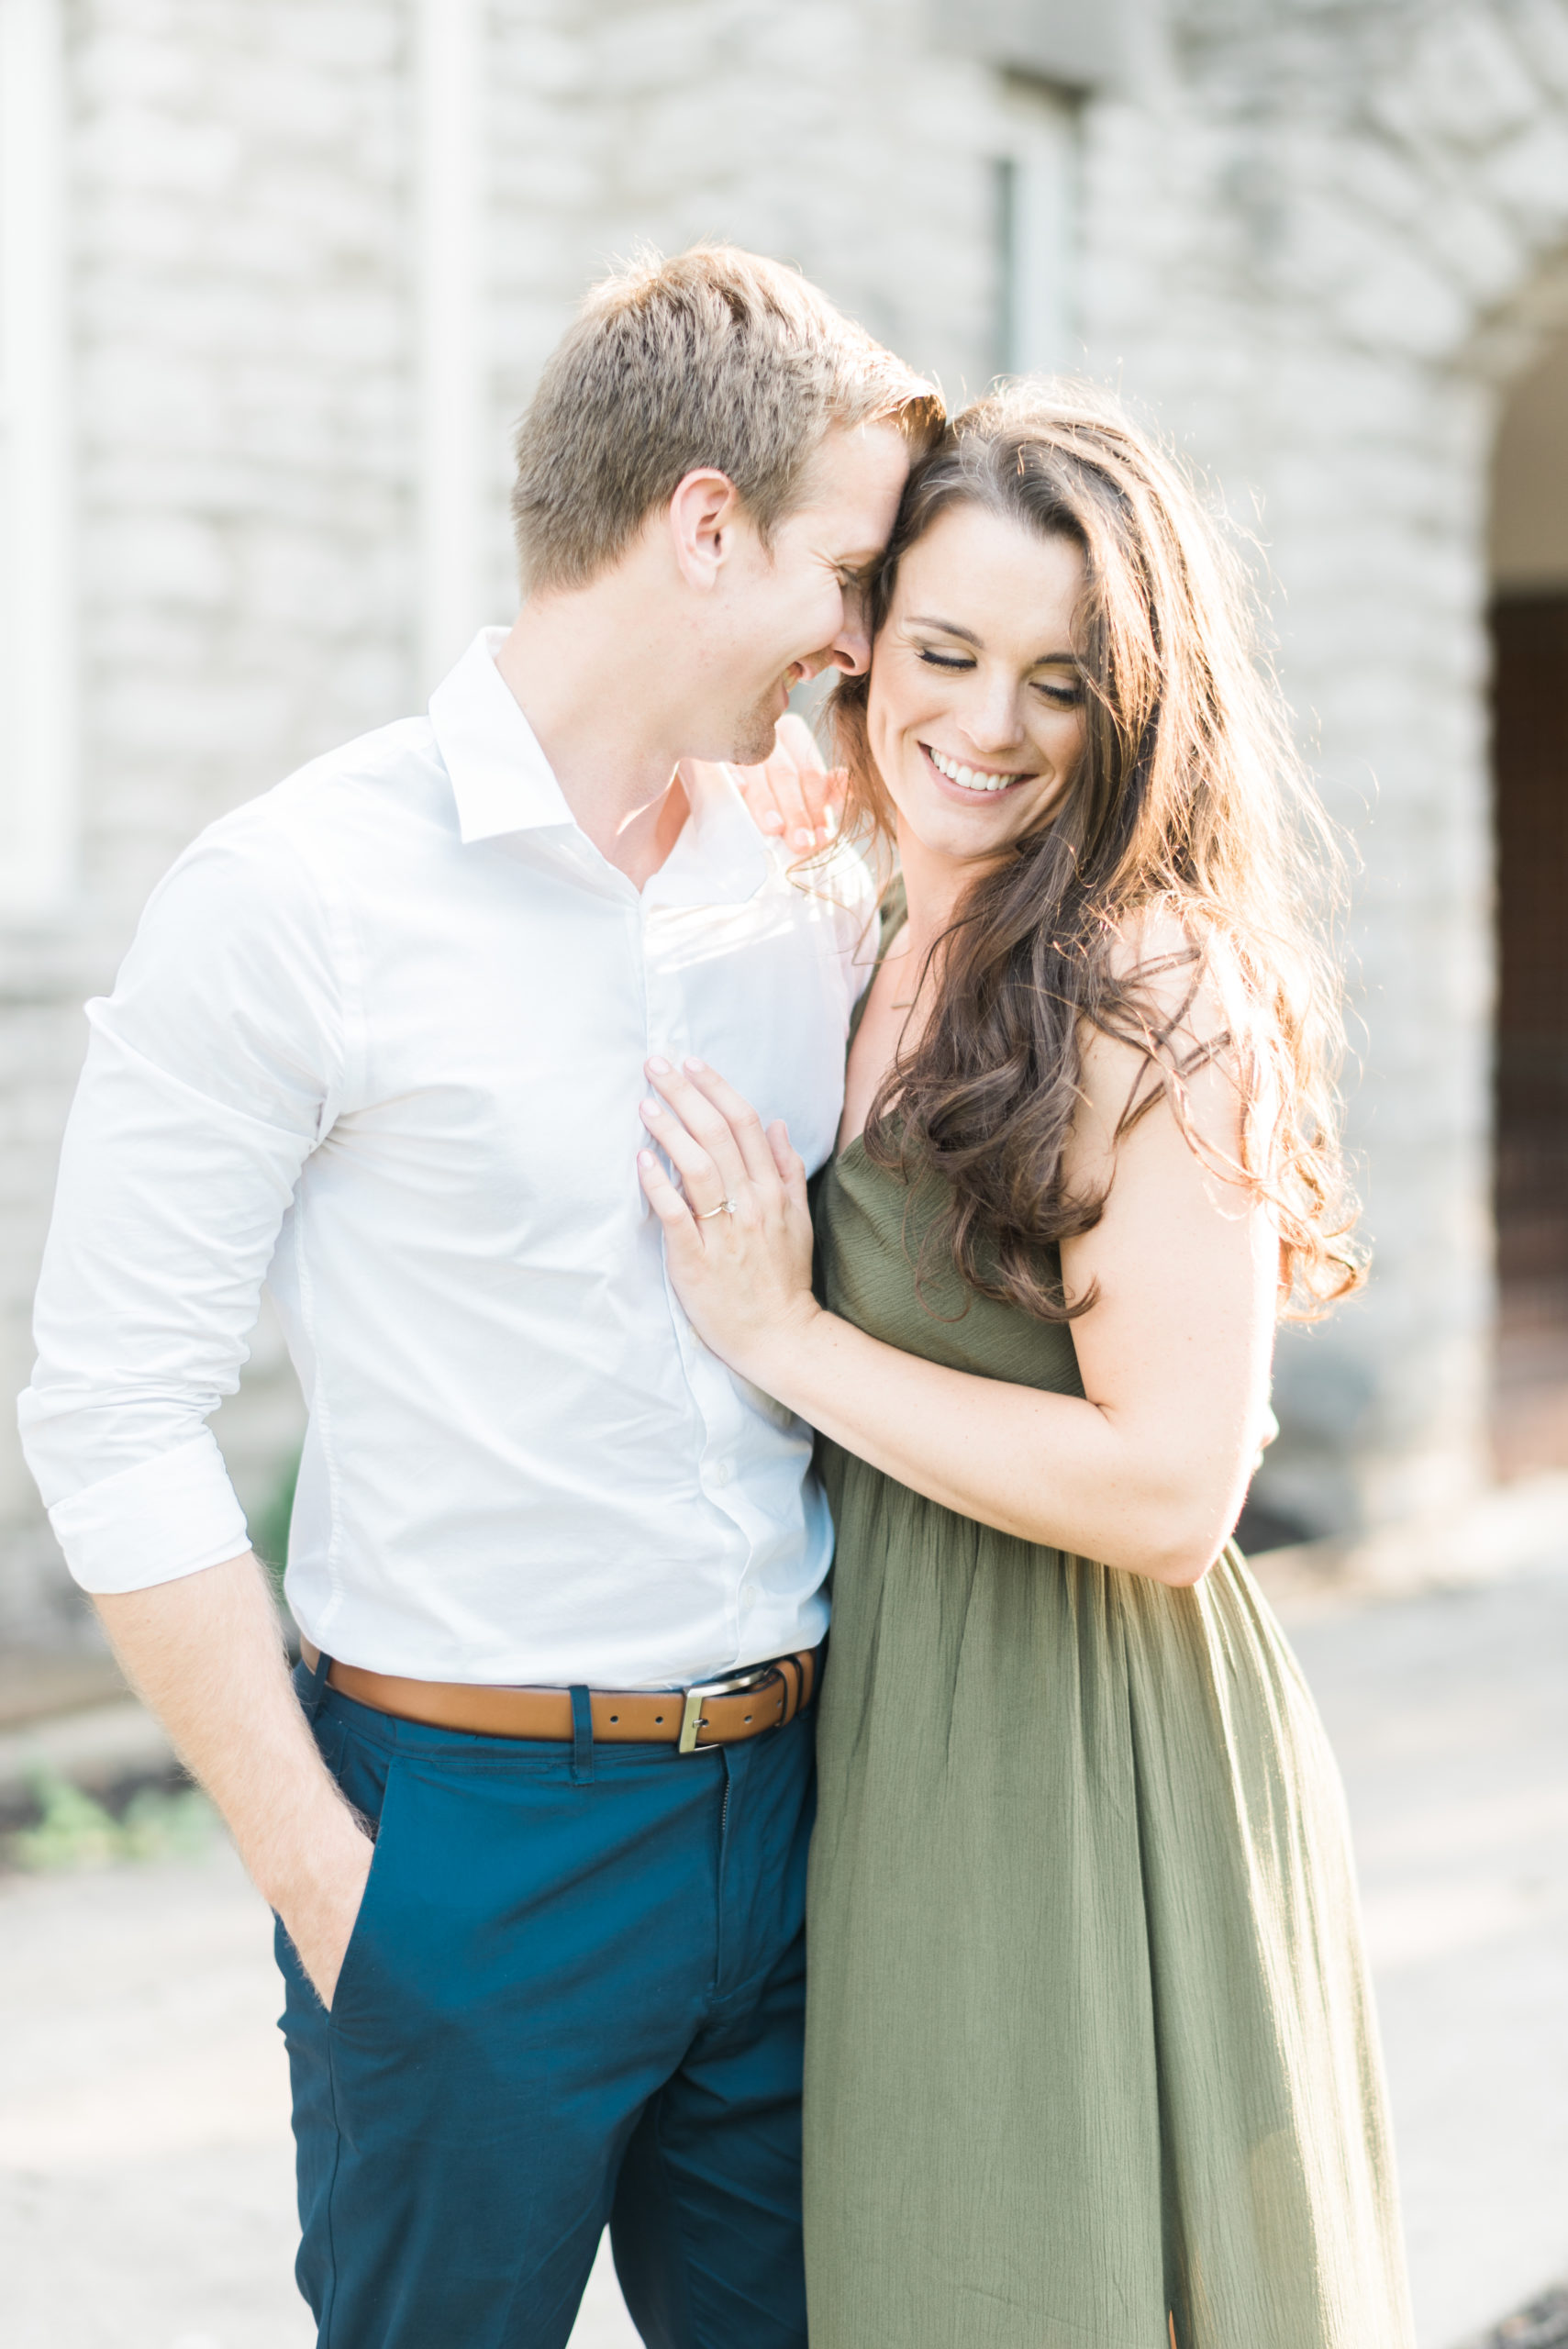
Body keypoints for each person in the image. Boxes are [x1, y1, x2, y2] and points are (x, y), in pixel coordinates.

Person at [17, 246, 940, 2349]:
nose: (865, 641)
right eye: (849, 571)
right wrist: (335, 1890)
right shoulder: (294, 894)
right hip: (458, 1848)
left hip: (796, 1816)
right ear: (706, 524)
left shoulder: (811, 866)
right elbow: (109, 1406)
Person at [635, 386, 1417, 2349]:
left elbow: (1172, 1490)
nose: (986, 727)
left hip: (1082, 1744)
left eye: (1060, 681)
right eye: (947, 654)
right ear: (867, 643)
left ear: (1136, 708)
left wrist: (783, 1332)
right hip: (894, 1726)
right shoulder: (884, 912)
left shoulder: (1150, 984)